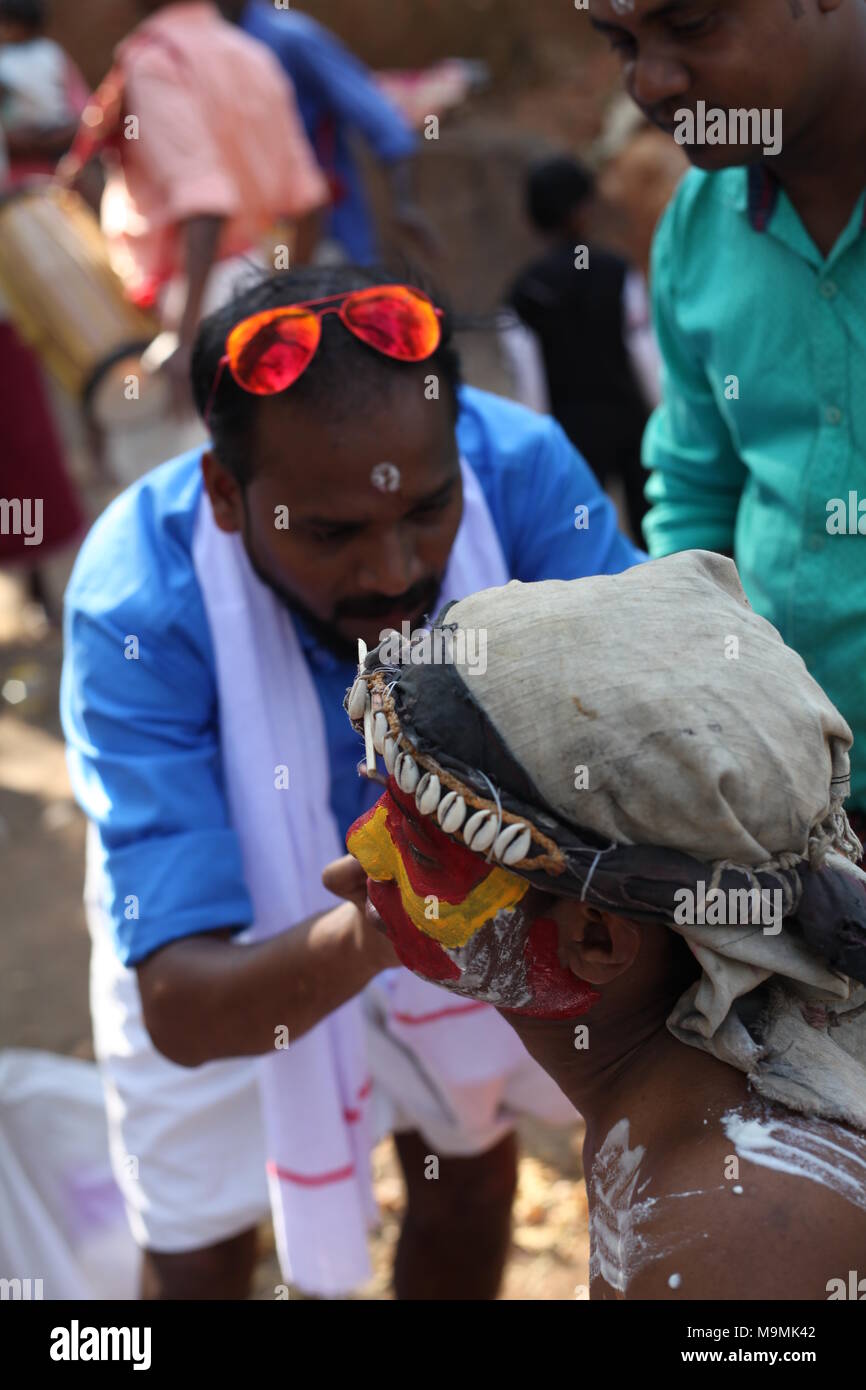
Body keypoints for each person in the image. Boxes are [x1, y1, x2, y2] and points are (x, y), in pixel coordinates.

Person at [61, 263, 644, 1300]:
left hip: (470, 912)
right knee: (197, 1252)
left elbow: (647, 724)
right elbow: (184, 1010)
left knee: (462, 1164)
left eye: (427, 511)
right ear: (227, 496)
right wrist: (396, 915)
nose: (390, 572)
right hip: (234, 953)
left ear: (458, 448)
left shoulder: (518, 472)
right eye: (331, 533)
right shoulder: (137, 602)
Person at [339, 551, 866, 1299]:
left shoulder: (739, 1233)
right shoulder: (690, 1120)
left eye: (419, 847)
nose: (357, 855)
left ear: (595, 939)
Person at [587, 0, 866, 835]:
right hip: (795, 802)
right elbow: (699, 487)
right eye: (622, 44)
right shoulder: (695, 230)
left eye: (695, 25)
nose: (653, 81)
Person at [61, 0, 330, 415]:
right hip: (254, 281)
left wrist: (186, 343)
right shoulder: (250, 53)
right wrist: (288, 304)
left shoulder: (154, 62)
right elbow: (308, 198)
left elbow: (205, 203)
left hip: (192, 301)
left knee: (198, 460)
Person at [504, 155, 658, 540]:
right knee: (651, 523)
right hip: (630, 417)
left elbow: (529, 380)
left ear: (532, 218)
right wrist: (662, 413)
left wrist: (539, 440)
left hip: (570, 428)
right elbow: (643, 350)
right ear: (585, 208)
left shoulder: (525, 290)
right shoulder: (617, 270)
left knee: (579, 528)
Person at [220, 2, 432, 266]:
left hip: (327, 237)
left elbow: (383, 123)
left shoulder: (290, 39)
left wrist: (405, 203)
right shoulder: (200, 48)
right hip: (244, 242)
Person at [0, 0, 88, 184]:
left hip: (54, 156)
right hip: (14, 170)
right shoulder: (50, 53)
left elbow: (85, 116)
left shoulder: (50, 54)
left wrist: (53, 139)